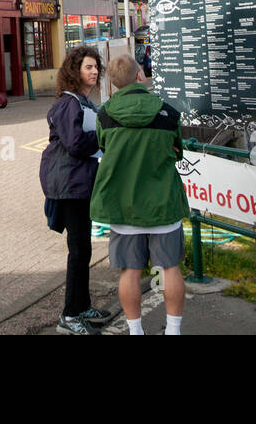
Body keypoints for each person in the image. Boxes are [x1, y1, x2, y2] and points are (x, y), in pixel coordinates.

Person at [90, 54, 191, 335]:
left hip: (122, 205)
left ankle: (135, 331)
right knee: (170, 268)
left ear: (114, 84)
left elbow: (104, 148)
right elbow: (178, 150)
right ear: (139, 77)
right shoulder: (168, 113)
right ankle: (173, 330)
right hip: (162, 203)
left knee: (130, 271)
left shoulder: (104, 115)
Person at [39, 45, 115, 335]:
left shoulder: (83, 102)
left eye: (96, 67)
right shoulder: (69, 103)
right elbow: (75, 143)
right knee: (78, 250)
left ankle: (83, 307)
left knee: (82, 249)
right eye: (88, 67)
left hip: (80, 183)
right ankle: (69, 315)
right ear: (75, 71)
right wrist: (103, 137)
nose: (94, 72)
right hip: (69, 185)